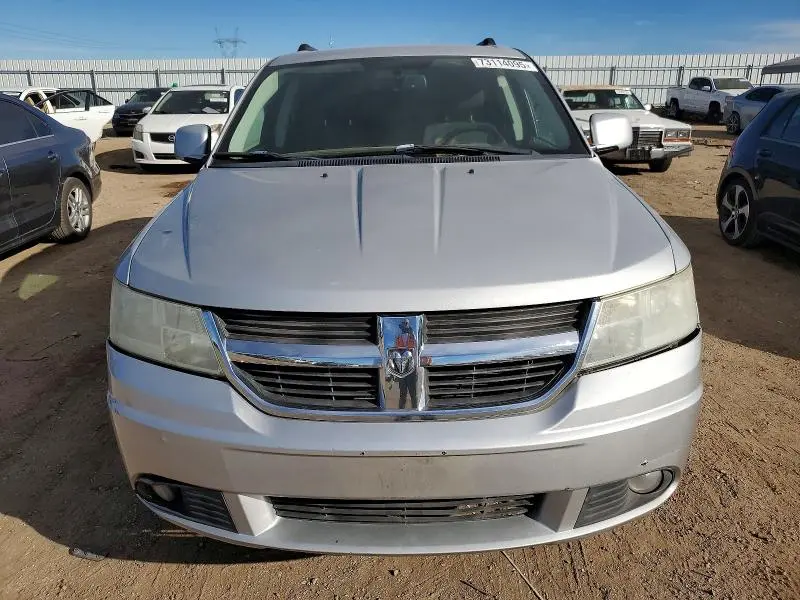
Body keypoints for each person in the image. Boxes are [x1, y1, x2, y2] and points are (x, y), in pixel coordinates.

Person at [393, 319, 417, 410]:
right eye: (404, 323)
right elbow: (395, 350)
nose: (405, 325)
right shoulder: (398, 337)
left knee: (413, 393)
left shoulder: (412, 336)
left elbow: (416, 350)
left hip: (411, 368)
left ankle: (415, 412)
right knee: (402, 393)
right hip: (401, 368)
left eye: (406, 323)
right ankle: (401, 414)